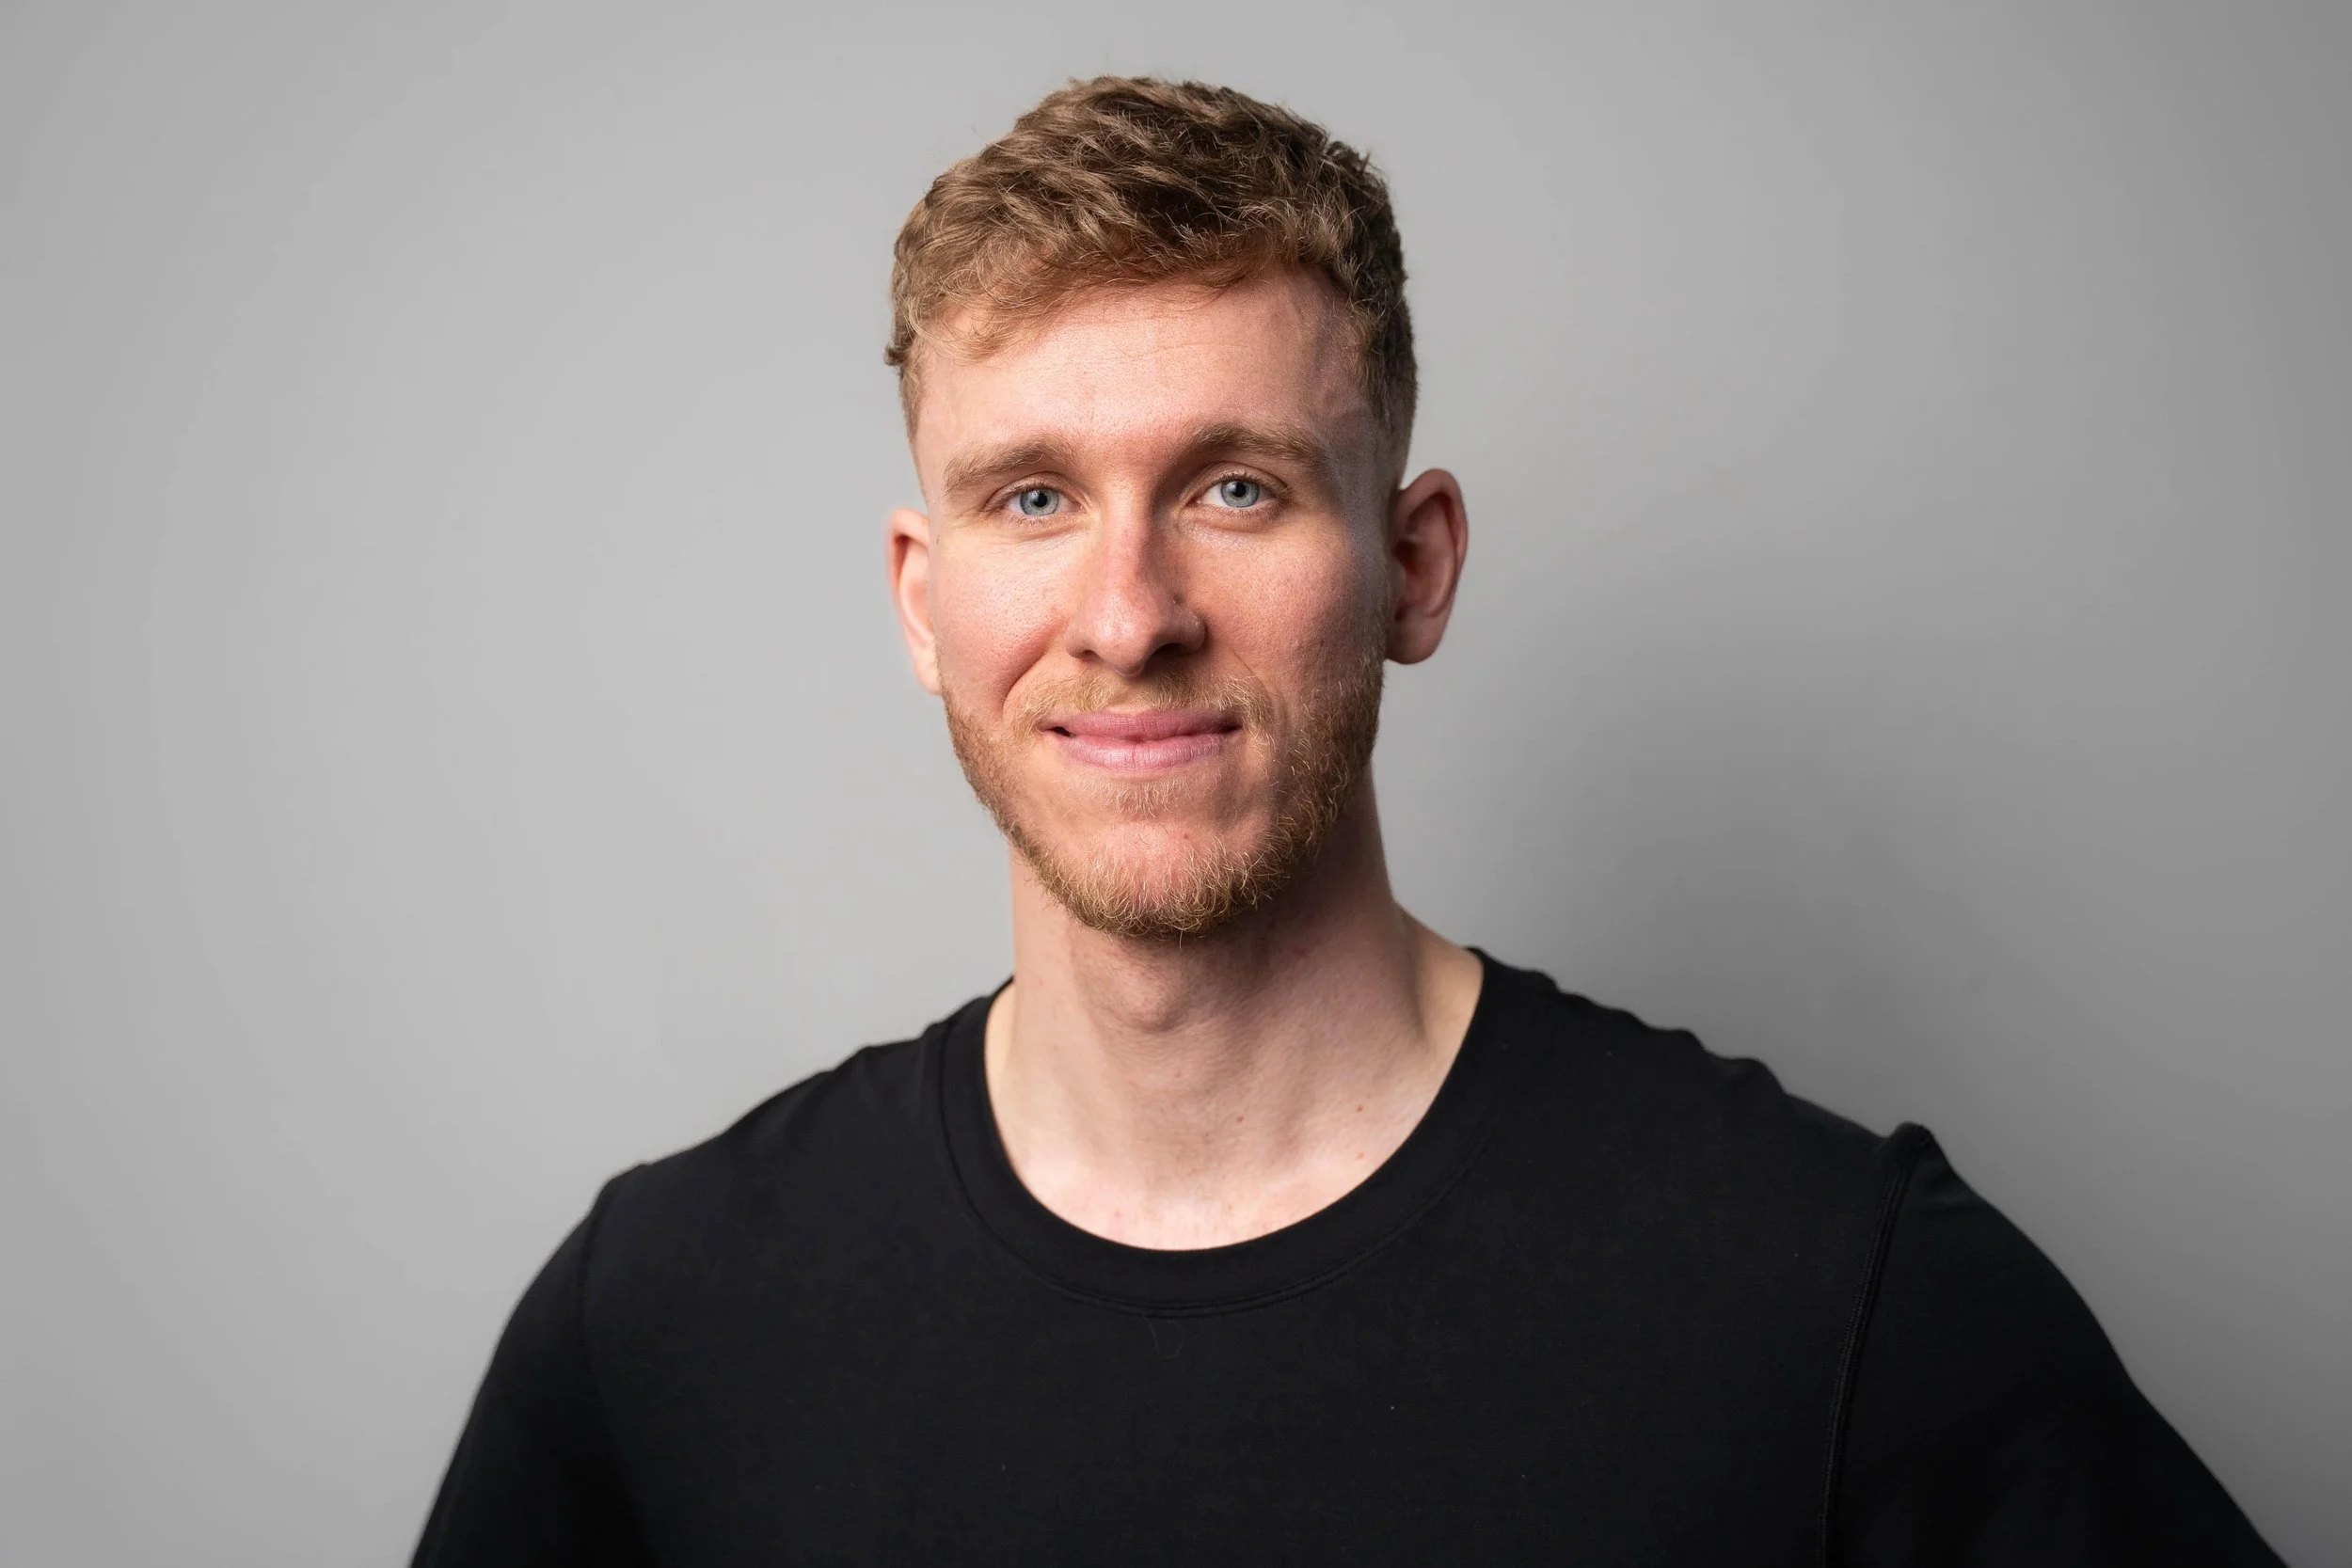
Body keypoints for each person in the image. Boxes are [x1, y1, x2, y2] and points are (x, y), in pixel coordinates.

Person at [413, 77, 2281, 1565]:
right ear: (922, 597)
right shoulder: (665, 1322)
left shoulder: (1830, 1296)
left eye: (1231, 487)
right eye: (1031, 498)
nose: (1128, 612)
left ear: (1411, 562)